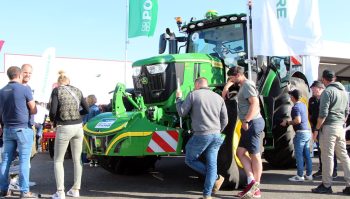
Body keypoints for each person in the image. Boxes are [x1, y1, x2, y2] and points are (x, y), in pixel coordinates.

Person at [176, 77, 228, 199]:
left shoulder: (193, 95)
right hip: (217, 135)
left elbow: (182, 112)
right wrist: (218, 130)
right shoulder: (218, 97)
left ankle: (215, 177)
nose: (194, 88)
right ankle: (207, 195)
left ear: (197, 85)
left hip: (202, 134)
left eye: (195, 86)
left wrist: (178, 98)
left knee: (190, 159)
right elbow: (225, 119)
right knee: (212, 164)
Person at [223, 66, 265, 199]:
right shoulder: (243, 85)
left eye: (231, 77)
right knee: (240, 152)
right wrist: (227, 86)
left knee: (255, 154)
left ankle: (256, 189)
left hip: (252, 123)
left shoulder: (247, 85)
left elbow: (255, 103)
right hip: (248, 124)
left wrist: (246, 120)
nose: (231, 80)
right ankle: (251, 182)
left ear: (237, 75)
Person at [49, 71, 89, 199]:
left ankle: (60, 192)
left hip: (64, 126)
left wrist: (54, 121)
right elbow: (87, 109)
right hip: (78, 127)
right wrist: (77, 114)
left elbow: (53, 110)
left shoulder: (57, 91)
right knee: (77, 160)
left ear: (59, 82)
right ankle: (76, 190)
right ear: (68, 81)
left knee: (58, 160)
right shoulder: (77, 90)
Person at [0, 66, 38, 198]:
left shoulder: (2, 90)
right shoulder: (25, 89)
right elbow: (33, 109)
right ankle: (24, 191)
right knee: (23, 161)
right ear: (19, 75)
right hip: (22, 128)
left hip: (7, 129)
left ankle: (3, 189)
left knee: (5, 160)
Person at [311, 69, 350, 195]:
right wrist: (341, 122)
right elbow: (347, 111)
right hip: (340, 127)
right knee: (344, 156)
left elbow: (323, 114)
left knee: (327, 156)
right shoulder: (344, 92)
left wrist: (316, 129)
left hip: (328, 127)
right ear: (334, 78)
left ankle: (326, 185)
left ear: (324, 79)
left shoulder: (327, 92)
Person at [281, 89, 313, 182]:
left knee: (299, 155)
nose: (290, 97)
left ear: (292, 98)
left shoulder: (295, 108)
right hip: (307, 132)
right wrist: (289, 88)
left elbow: (298, 120)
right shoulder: (303, 105)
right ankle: (309, 175)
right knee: (306, 155)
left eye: (291, 96)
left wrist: (287, 122)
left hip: (300, 133)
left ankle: (300, 176)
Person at [309, 81, 338, 178]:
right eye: (312, 88)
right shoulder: (311, 100)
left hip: (325, 128)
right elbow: (310, 114)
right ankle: (322, 170)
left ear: (321, 88)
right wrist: (313, 127)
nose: (312, 90)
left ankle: (333, 171)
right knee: (320, 150)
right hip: (316, 129)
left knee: (330, 150)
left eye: (314, 88)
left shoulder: (326, 98)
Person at [82, 94, 100, 167]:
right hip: (94, 129)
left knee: (86, 145)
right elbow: (98, 120)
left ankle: (85, 160)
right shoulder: (96, 109)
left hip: (86, 128)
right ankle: (94, 161)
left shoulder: (88, 109)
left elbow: (84, 120)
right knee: (95, 144)